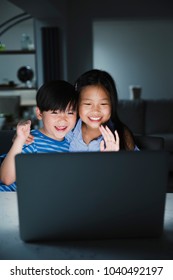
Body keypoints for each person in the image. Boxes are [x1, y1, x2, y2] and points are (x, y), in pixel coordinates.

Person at [0, 80, 78, 191]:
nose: (63, 119)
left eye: (70, 112)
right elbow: (6, 178)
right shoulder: (30, 140)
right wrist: (20, 140)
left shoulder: (72, 145)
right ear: (39, 113)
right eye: (55, 112)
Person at [67, 69, 138, 152]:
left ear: (112, 104)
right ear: (77, 103)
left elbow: (136, 164)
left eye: (103, 104)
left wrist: (112, 159)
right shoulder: (68, 128)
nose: (96, 111)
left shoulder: (122, 135)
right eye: (88, 104)